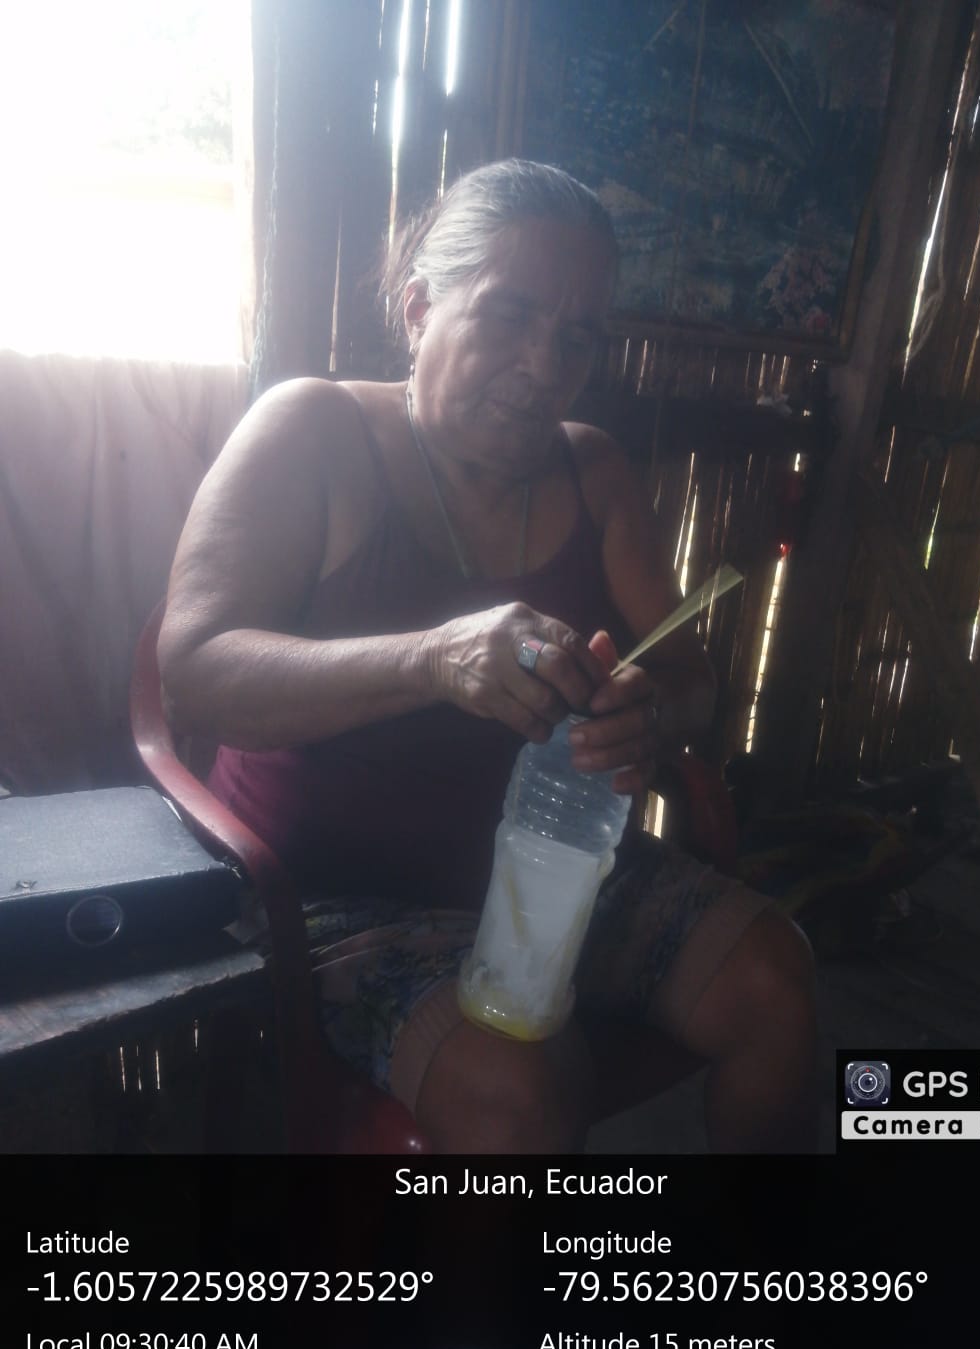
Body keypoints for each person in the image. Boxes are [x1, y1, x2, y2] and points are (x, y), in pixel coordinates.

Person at [158, 159, 817, 1154]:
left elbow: (693, 680)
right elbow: (195, 673)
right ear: (421, 306)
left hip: (556, 867)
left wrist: (650, 715)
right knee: (514, 1097)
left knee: (778, 980)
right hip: (333, 895)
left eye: (577, 337)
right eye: (509, 315)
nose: (545, 366)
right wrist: (431, 659)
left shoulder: (591, 470)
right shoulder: (313, 432)